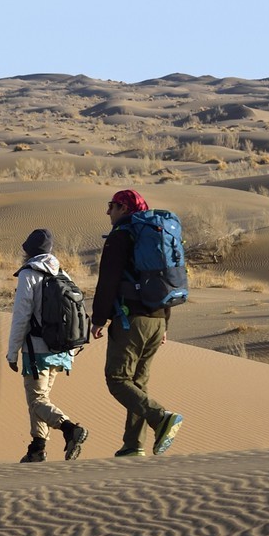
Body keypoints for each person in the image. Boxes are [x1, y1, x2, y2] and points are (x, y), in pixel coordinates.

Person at [90, 189, 184, 456]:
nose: (108, 211)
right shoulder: (153, 235)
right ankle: (133, 445)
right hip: (157, 320)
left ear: (123, 208)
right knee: (138, 383)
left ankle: (160, 417)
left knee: (118, 379)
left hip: (130, 320)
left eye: (112, 205)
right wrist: (165, 323)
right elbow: (167, 279)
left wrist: (98, 319)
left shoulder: (121, 235)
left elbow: (108, 280)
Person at [6, 228, 89, 463]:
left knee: (37, 401)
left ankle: (70, 429)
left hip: (37, 351)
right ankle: (37, 448)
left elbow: (21, 316)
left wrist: (12, 353)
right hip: (61, 350)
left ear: (29, 251)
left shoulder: (29, 274)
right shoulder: (62, 273)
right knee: (41, 399)